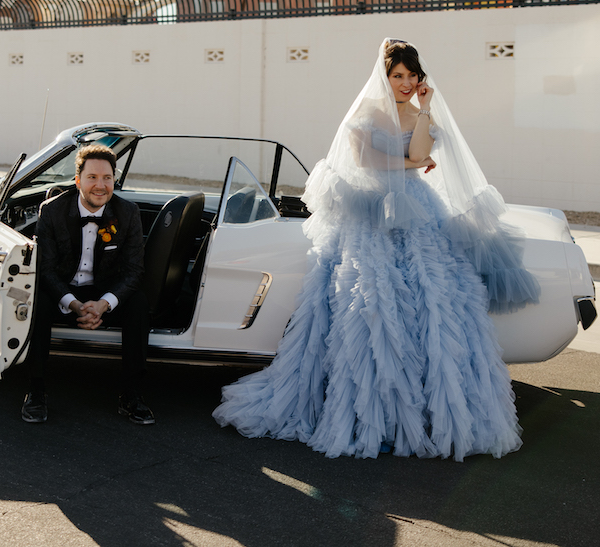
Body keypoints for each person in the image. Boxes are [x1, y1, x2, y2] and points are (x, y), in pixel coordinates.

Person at [213, 38, 540, 459]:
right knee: (373, 309)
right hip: (372, 214)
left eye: (412, 76)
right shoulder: (366, 112)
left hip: (418, 213)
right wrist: (412, 164)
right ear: (385, 77)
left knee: (432, 305)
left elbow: (421, 152)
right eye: (397, 76)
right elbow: (366, 162)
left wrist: (423, 113)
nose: (405, 83)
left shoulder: (421, 111)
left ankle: (427, 416)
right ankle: (374, 414)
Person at [21, 144, 155, 425]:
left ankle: (131, 394)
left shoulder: (128, 213)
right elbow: (44, 270)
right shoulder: (53, 211)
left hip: (104, 292)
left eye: (107, 178)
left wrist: (104, 305)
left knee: (138, 304)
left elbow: (134, 271)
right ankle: (35, 390)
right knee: (38, 301)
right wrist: (74, 303)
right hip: (63, 290)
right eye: (92, 177)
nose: (101, 185)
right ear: (78, 180)